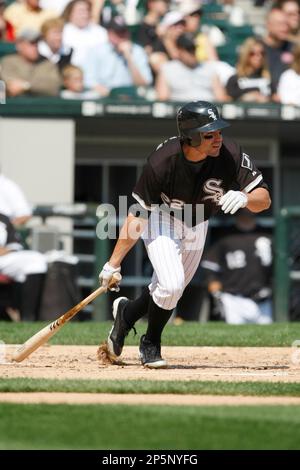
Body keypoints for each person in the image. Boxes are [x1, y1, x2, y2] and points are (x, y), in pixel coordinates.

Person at [98, 100, 271, 368]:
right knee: (171, 284)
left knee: (169, 290)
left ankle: (126, 314)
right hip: (162, 219)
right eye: (209, 134)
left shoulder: (230, 153)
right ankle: (150, 344)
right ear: (191, 137)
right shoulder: (162, 162)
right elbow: (137, 214)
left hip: (198, 222)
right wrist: (113, 263)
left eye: (219, 132)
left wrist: (245, 197)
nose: (218, 139)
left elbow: (265, 198)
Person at [201, 209, 273, 324]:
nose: (247, 210)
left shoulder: (268, 234)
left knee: (269, 338)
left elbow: (279, 269)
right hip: (233, 299)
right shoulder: (225, 236)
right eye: (244, 207)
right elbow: (210, 267)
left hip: (263, 299)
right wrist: (215, 289)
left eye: (250, 206)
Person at [0, 213, 47, 321]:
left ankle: (26, 316)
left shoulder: (2, 218)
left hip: (3, 258)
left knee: (36, 259)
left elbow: (15, 244)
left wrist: (6, 250)